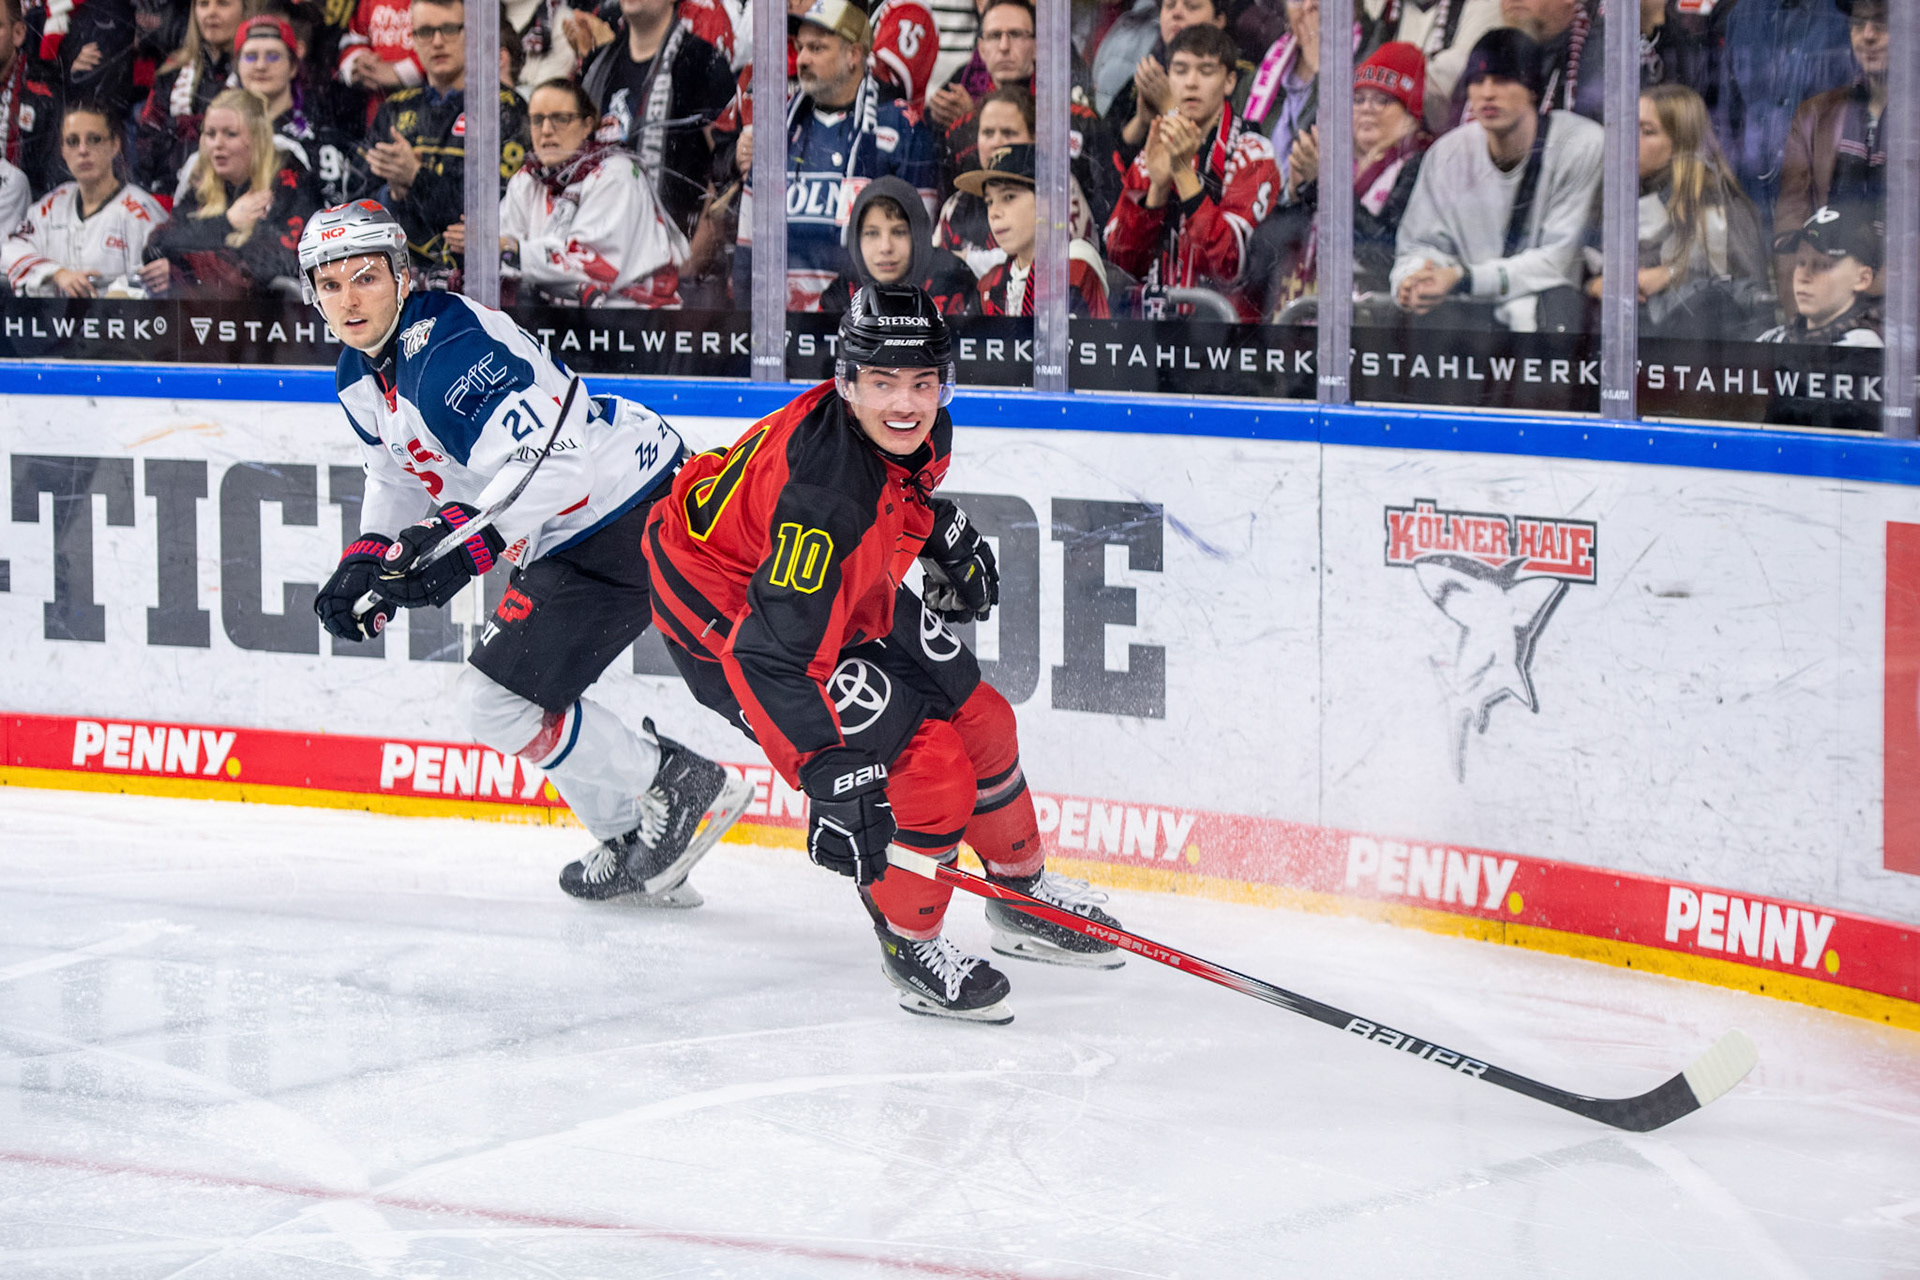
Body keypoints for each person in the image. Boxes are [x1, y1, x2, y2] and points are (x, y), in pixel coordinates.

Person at [643, 282, 1129, 1023]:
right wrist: (827, 771)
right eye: (882, 384)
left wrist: (932, 528)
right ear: (847, 384)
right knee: (927, 769)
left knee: (984, 718)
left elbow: (890, 491)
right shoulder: (826, 501)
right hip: (732, 617)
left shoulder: (918, 436)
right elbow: (771, 655)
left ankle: (1019, 895)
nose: (905, 404)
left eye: (922, 383)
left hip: (818, 586)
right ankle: (911, 942)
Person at [295, 199, 752, 904]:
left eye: (365, 278)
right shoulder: (359, 374)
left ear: (401, 276)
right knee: (520, 695)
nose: (349, 300)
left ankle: (678, 786)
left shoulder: (445, 354)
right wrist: (364, 556)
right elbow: (393, 471)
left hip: (625, 509)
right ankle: (637, 839)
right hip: (582, 520)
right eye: (331, 285)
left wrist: (461, 552)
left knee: (494, 702)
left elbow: (557, 464)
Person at [1389, 28, 1602, 333]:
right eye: (1477, 81)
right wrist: (1412, 281)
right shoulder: (1448, 152)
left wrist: (1465, 278)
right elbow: (1418, 246)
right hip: (1467, 321)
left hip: (1551, 328)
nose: (1487, 93)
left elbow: (1558, 264)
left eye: (1502, 80)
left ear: (1531, 88)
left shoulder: (1582, 145)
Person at [734, 0, 937, 311]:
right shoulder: (777, 130)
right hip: (782, 336)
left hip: (867, 334)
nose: (801, 59)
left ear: (853, 55)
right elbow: (748, 249)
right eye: (800, 47)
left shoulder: (902, 128)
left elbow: (920, 252)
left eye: (817, 49)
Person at [1103, 22, 1280, 321]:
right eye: (1181, 70)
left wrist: (1183, 173)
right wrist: (1157, 190)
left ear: (1229, 82)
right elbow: (1123, 261)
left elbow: (1228, 267)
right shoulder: (1153, 148)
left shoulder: (1253, 152)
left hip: (1226, 342)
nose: (1191, 82)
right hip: (1151, 338)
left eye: (1206, 71)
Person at [1253, 39, 1429, 314]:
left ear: (1410, 115)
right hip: (1302, 317)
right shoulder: (1333, 159)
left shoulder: (1419, 165)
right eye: (1358, 99)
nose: (1367, 108)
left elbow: (1384, 253)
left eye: (1383, 100)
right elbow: (1265, 254)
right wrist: (1295, 193)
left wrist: (1323, 183)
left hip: (1373, 326)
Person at [1584, 84, 1765, 340]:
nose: (1630, 141)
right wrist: (1594, 285)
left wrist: (1671, 275)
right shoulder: (1611, 196)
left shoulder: (1722, 205)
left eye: (1647, 132)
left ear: (1681, 143)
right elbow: (1576, 263)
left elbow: (1750, 296)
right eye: (1628, 129)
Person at [368, 0, 530, 286]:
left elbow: (497, 213)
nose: (438, 42)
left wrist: (416, 178)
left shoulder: (506, 108)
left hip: (476, 285)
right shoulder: (394, 109)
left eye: (449, 29)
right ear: (413, 40)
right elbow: (359, 205)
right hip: (398, 284)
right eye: (425, 31)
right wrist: (392, 193)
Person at [500, 77, 690, 307]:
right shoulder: (527, 179)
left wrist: (513, 252)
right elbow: (504, 245)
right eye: (537, 120)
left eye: (560, 119)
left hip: (637, 325)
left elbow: (591, 267)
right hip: (563, 325)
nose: (546, 130)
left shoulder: (617, 172)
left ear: (587, 125)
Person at [138, 87, 320, 297]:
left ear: (257, 138)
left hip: (273, 319)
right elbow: (157, 246)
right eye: (210, 134)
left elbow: (268, 268)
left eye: (230, 134)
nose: (217, 144)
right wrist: (228, 222)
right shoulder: (205, 183)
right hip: (211, 315)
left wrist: (182, 271)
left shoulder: (290, 179)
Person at [578, 0, 736, 240]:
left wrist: (696, 254)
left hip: (672, 249)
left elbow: (725, 163)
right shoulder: (597, 63)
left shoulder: (701, 60)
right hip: (598, 245)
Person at [1774, 0, 1887, 319]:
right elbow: (1789, 228)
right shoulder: (1816, 113)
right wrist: (1804, 319)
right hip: (1827, 313)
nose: (1867, 35)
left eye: (1883, 23)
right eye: (1858, 22)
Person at [3, 102, 169, 296]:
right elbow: (10, 251)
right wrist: (57, 273)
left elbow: (161, 285)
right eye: (72, 141)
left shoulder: (141, 212)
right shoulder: (51, 205)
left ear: (115, 145)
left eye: (94, 139)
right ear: (63, 150)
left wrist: (121, 296)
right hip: (53, 324)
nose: (83, 150)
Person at [934, 85, 1099, 277]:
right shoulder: (957, 205)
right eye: (987, 133)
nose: (996, 142)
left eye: (1008, 132)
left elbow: (1054, 263)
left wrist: (965, 261)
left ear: (1035, 139)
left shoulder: (1058, 188)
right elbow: (935, 267)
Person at [1714, 0, 1854, 221]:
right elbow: (1727, 114)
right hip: (1749, 198)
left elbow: (1855, 113)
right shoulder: (1742, 17)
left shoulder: (1843, 17)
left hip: (1818, 206)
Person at [958, 142, 1110, 317]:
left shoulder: (1072, 268)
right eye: (989, 202)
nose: (994, 213)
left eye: (1009, 197)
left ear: (1048, 202)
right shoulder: (989, 284)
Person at [818, 174, 977, 315]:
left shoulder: (953, 282)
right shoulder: (844, 292)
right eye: (872, 234)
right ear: (856, 240)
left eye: (899, 232)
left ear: (918, 237)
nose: (885, 247)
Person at [134, 0, 247, 193]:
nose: (211, 12)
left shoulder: (257, 74)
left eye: (223, 4)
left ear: (245, 10)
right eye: (203, 4)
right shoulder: (172, 70)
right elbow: (148, 137)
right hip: (168, 193)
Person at [1105, 0, 1227, 171]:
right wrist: (1141, 122)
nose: (1176, 13)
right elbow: (1104, 166)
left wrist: (1170, 108)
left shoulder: (1231, 78)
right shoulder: (1149, 75)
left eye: (1191, 6)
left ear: (1219, 20)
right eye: (1168, 6)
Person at [1359, 0, 1501, 133]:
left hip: (1440, 129)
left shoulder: (1485, 4)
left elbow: (1452, 73)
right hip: (1376, 126)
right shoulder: (1381, 6)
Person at [1757, 203, 1882, 347]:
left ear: (1862, 279)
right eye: (1801, 262)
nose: (1803, 277)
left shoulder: (1864, 352)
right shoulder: (1774, 339)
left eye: (1823, 265)